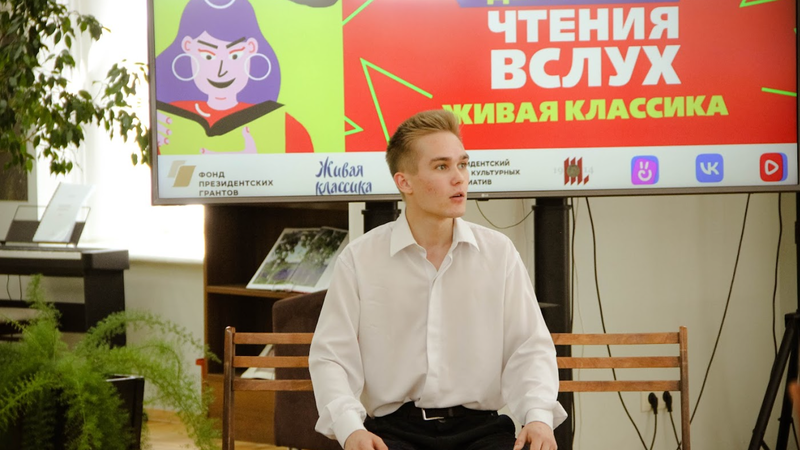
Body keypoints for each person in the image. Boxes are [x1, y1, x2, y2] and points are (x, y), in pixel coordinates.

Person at [308, 109, 567, 450]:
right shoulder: (360, 259)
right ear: (405, 182)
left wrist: (538, 416)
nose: (459, 178)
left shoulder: (498, 253)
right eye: (442, 167)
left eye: (463, 164)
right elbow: (332, 357)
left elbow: (529, 347)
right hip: (393, 432)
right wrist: (350, 428)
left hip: (482, 432)